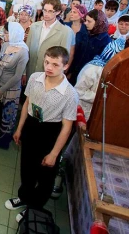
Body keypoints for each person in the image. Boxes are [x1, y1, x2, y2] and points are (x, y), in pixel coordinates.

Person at [5, 46, 77, 222]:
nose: (49, 67)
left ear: (65, 66)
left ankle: (34, 209)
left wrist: (54, 153)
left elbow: (66, 127)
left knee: (45, 176)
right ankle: (24, 197)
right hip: (31, 125)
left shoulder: (70, 94)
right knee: (27, 167)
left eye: (55, 64)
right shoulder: (34, 78)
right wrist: (20, 128)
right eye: (46, 62)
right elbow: (27, 103)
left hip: (50, 133)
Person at [0, 22, 29, 149]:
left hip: (11, 88)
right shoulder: (6, 45)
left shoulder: (23, 52)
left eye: (6, 32)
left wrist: (1, 89)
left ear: (13, 34)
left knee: (8, 114)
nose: (4, 34)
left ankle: (3, 140)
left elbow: (17, 76)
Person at [25, 0, 75, 80]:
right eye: (44, 10)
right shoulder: (34, 26)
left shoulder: (65, 31)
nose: (46, 14)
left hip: (49, 74)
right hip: (30, 72)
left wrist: (57, 78)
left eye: (50, 11)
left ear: (58, 12)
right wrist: (24, 72)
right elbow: (27, 50)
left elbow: (63, 58)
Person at [75, 39, 126, 120]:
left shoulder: (114, 70)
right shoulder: (92, 69)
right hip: (83, 112)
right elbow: (78, 92)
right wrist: (103, 97)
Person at [68, 9, 110, 83]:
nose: (85, 23)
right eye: (85, 20)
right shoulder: (84, 34)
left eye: (89, 21)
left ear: (98, 23)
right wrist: (69, 71)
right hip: (76, 73)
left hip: (89, 78)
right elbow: (76, 55)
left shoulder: (105, 41)